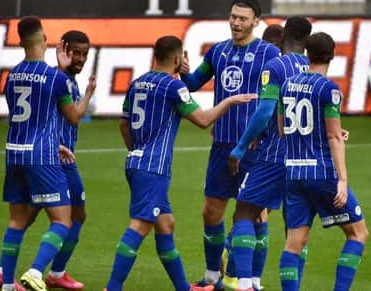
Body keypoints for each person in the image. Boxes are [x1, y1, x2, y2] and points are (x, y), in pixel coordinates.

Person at [103, 36, 258, 291]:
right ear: (178, 59)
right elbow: (203, 119)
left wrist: (135, 150)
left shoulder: (137, 83)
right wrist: (229, 101)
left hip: (135, 162)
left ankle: (183, 288)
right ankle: (112, 287)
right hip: (153, 169)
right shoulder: (174, 88)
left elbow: (123, 123)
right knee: (140, 225)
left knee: (166, 224)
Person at [179, 0, 280, 290]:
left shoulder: (269, 54)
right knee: (211, 211)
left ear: (255, 22)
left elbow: (276, 100)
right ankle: (212, 276)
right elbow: (194, 83)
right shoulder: (218, 52)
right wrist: (184, 71)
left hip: (255, 147)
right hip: (222, 144)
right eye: (233, 17)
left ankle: (254, 281)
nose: (236, 23)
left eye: (243, 19)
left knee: (256, 214)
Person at [0, 16, 95, 291]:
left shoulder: (13, 74)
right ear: (45, 41)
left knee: (17, 220)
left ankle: (6, 282)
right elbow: (74, 116)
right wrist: (88, 93)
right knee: (63, 221)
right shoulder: (55, 79)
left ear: (20, 42)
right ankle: (37, 272)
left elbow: (22, 116)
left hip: (14, 152)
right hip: (43, 157)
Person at [225, 17, 312, 291]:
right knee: (295, 229)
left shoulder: (274, 66)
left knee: (244, 213)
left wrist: (240, 147)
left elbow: (264, 112)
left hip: (275, 155)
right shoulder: (313, 68)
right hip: (307, 159)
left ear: (283, 35)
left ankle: (245, 284)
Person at [278, 32, 368, 291]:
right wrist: (342, 179)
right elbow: (332, 136)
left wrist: (333, 133)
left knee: (294, 243)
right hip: (321, 173)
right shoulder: (329, 89)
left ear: (307, 54)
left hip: (293, 172)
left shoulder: (288, 85)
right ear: (333, 56)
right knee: (358, 233)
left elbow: (285, 130)